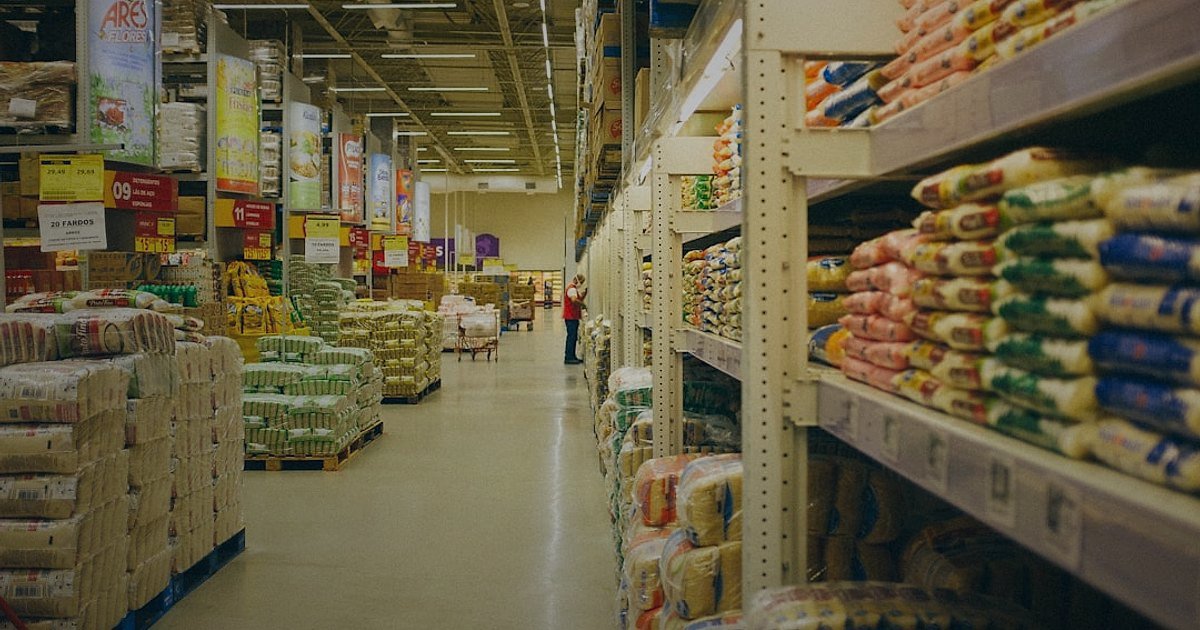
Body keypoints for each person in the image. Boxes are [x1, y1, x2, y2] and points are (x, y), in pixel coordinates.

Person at [563, 273, 587, 364]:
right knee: (571, 337)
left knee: (572, 337)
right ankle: (569, 357)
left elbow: (577, 299)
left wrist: (584, 295)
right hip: (571, 317)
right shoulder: (572, 289)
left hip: (572, 317)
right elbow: (574, 300)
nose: (581, 283)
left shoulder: (572, 289)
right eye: (581, 282)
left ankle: (572, 356)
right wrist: (583, 305)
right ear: (577, 280)